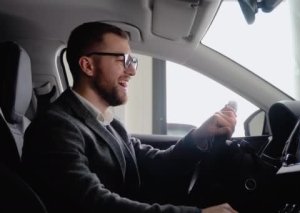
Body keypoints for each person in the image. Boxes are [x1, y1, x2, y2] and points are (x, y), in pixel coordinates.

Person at [21, 22, 238, 213]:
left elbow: (157, 165)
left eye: (132, 61)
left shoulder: (110, 124)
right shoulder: (55, 127)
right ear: (88, 66)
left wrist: (199, 137)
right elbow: (95, 203)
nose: (131, 71)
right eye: (123, 60)